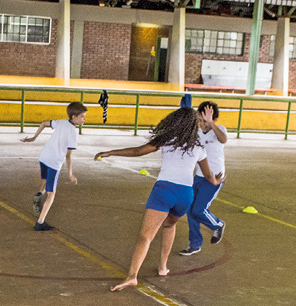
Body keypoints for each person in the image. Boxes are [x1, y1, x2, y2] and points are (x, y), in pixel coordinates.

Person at [94, 107, 221, 291]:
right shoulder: (199, 148)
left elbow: (138, 151)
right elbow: (209, 175)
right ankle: (163, 267)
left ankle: (132, 276)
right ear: (194, 126)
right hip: (185, 195)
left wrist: (111, 152)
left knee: (145, 237)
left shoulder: (166, 140)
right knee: (170, 225)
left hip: (164, 191)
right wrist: (216, 180)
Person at [22, 101, 88, 231]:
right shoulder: (73, 132)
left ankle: (40, 194)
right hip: (54, 162)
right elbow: (68, 156)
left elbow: (44, 123)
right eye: (82, 116)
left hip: (44, 156)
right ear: (74, 117)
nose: (84, 119)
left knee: (46, 182)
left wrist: (34, 137)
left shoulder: (61, 122)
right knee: (52, 194)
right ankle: (40, 223)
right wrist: (70, 174)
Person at [180, 101, 227, 256]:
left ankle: (218, 225)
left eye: (205, 121)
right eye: (200, 120)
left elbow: (223, 139)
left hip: (215, 178)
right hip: (199, 176)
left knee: (199, 209)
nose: (202, 124)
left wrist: (211, 123)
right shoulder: (196, 133)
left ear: (214, 120)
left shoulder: (219, 130)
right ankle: (194, 244)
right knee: (191, 210)